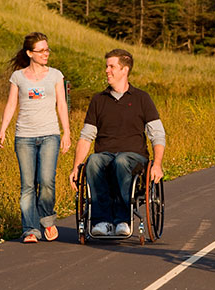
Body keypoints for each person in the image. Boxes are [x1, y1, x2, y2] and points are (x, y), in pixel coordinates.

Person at [69, 49, 165, 237]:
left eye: (112, 66)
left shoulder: (141, 98)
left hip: (134, 158)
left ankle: (122, 219)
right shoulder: (99, 100)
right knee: (94, 161)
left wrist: (158, 164)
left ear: (125, 70)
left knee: (121, 161)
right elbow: (86, 136)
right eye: (106, 66)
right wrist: (76, 167)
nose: (107, 71)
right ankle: (102, 221)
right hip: (105, 155)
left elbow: (158, 135)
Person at [0, 32, 72, 243]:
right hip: (24, 137)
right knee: (28, 185)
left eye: (47, 49)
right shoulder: (18, 77)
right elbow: (11, 104)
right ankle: (30, 229)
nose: (46, 54)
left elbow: (62, 104)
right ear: (30, 53)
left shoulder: (56, 75)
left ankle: (47, 220)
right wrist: (3, 129)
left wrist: (66, 131)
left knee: (46, 181)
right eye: (41, 51)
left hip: (50, 135)